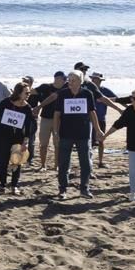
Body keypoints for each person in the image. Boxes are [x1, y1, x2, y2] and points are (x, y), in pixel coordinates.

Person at [43, 71, 102, 199]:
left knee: (85, 163)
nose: (70, 82)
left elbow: (92, 113)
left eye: (73, 80)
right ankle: (62, 189)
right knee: (63, 163)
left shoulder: (87, 93)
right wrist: (56, 132)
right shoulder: (63, 94)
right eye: (69, 80)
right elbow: (57, 114)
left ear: (80, 81)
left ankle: (84, 188)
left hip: (83, 133)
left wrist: (98, 129)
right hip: (65, 133)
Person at [0, 82, 38, 192]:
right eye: (26, 93)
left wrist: (25, 141)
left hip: (18, 137)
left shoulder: (27, 107)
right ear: (18, 93)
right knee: (3, 161)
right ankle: (2, 185)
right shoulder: (6, 102)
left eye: (29, 93)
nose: (28, 95)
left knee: (17, 162)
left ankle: (14, 185)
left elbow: (29, 126)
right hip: (4, 136)